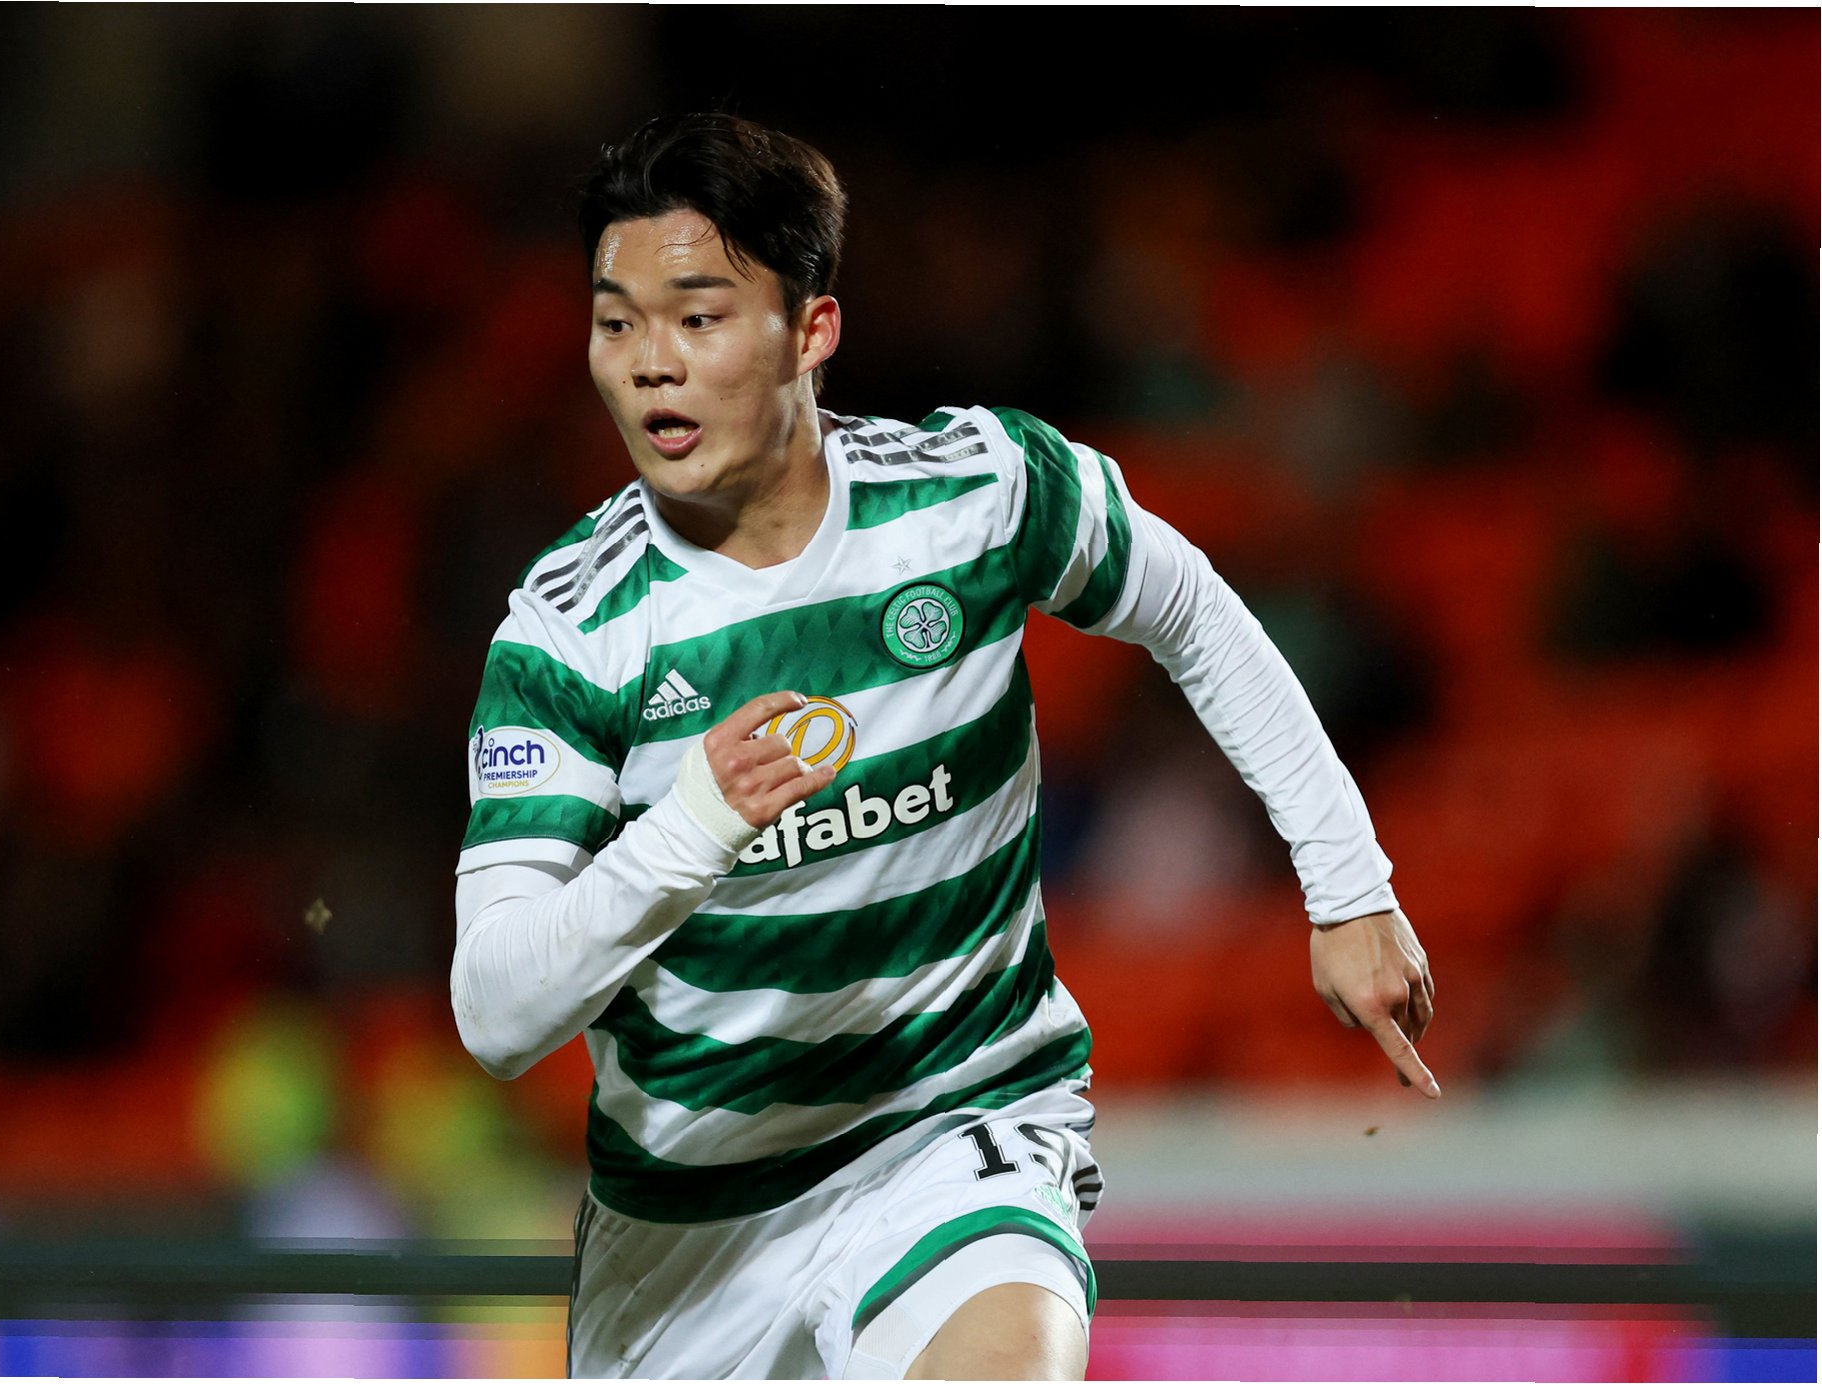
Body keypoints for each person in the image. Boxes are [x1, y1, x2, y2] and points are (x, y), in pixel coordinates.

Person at [452, 112, 1436, 1381]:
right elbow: (496, 1011)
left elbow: (1187, 607)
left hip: (953, 1133)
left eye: (696, 318)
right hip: (689, 1222)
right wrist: (691, 829)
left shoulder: (976, 493)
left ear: (810, 330)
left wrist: (1348, 883)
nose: (649, 365)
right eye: (614, 323)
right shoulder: (569, 634)